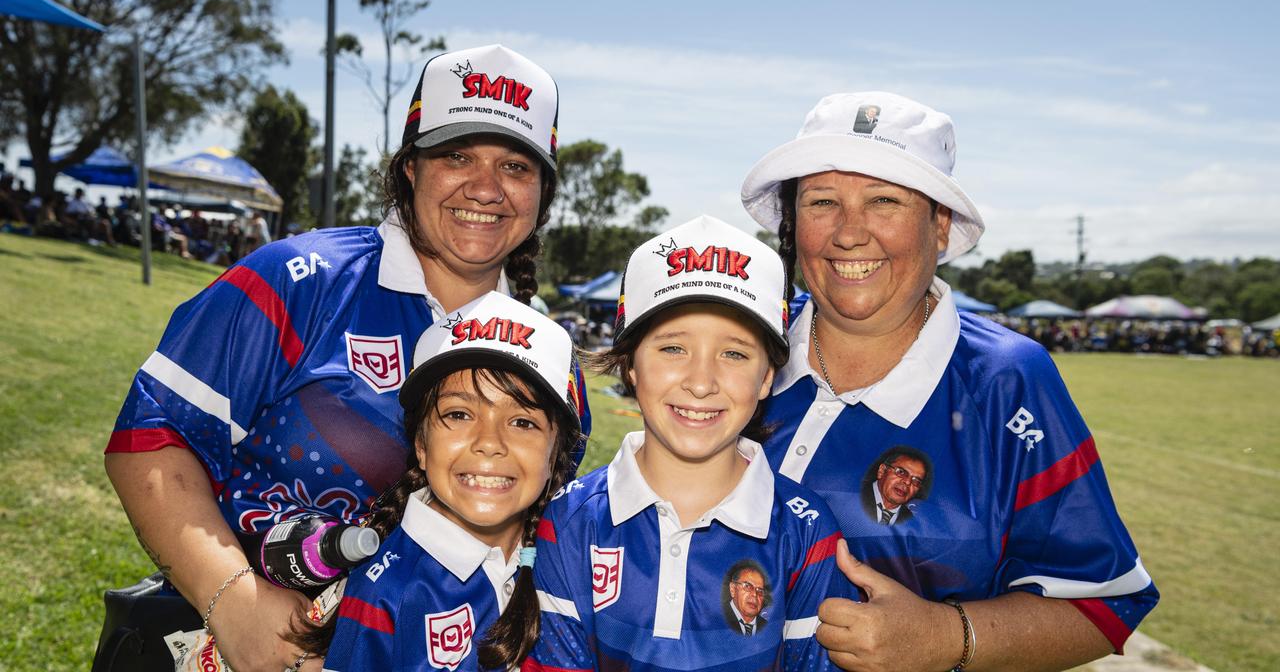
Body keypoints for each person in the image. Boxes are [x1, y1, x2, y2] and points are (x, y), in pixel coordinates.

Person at [104, 44, 589, 672]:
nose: (486, 188)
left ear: (542, 191)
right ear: (411, 166)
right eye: (457, 155)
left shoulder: (554, 363)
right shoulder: (295, 280)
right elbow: (150, 438)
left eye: (516, 167)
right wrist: (233, 601)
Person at [740, 91, 1158, 671]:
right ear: (792, 220)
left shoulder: (1007, 379)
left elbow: (1104, 604)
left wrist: (945, 637)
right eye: (823, 201)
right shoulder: (741, 350)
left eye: (884, 201)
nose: (849, 233)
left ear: (940, 225)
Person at [525, 215, 847, 672]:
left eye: (734, 353)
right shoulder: (571, 519)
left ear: (767, 378)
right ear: (630, 364)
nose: (701, 383)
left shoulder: (808, 532)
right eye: (673, 348)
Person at [314, 292, 585, 671]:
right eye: (458, 414)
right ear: (421, 444)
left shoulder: (572, 555)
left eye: (523, 422)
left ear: (557, 452)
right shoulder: (387, 594)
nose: (489, 443)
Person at [858, 445, 932, 526]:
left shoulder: (914, 521)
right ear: (882, 471)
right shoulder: (854, 495)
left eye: (916, 481)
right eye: (901, 472)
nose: (908, 482)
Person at [722, 560, 770, 635]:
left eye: (760, 590)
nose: (754, 594)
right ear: (733, 589)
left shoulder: (768, 626)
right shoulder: (717, 619)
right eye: (747, 586)